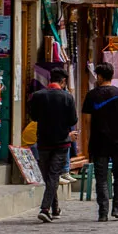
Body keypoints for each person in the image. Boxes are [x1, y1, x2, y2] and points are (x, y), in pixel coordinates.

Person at [82, 63, 118, 222]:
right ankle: (117, 208)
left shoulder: (91, 95)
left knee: (101, 177)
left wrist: (90, 137)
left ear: (100, 76)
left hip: (98, 141)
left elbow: (87, 121)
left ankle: (103, 211)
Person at [28, 66, 78, 223]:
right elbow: (73, 120)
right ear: (63, 81)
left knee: (50, 176)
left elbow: (34, 117)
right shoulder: (67, 97)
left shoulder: (37, 96)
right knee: (54, 176)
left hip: (43, 142)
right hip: (62, 143)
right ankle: (45, 209)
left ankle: (55, 209)